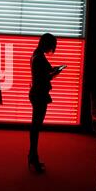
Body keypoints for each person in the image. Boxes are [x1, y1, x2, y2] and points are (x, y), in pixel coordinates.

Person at [29, 33, 64, 173]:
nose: (52, 48)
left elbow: (44, 73)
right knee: (36, 126)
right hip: (40, 94)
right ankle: (33, 157)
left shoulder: (36, 55)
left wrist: (53, 71)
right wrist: (56, 72)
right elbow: (45, 77)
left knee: (35, 126)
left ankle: (32, 156)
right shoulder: (40, 58)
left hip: (36, 93)